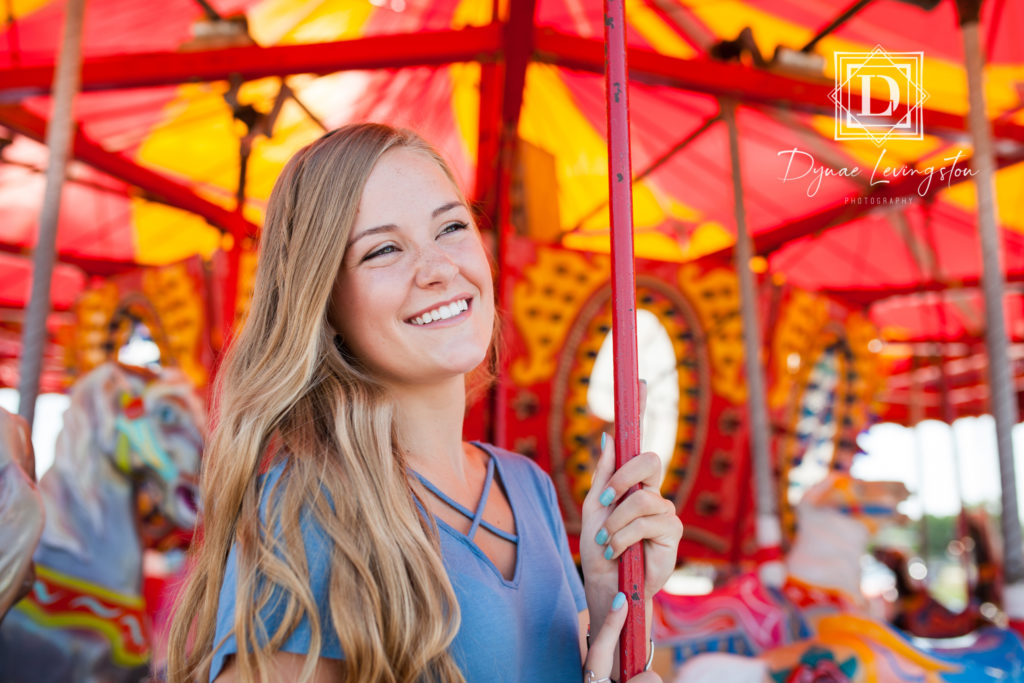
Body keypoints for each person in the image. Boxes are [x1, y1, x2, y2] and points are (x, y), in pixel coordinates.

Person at [166, 123, 682, 683]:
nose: (439, 269)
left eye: (452, 226)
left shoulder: (526, 485)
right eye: (384, 249)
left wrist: (617, 602)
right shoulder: (304, 510)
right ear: (324, 301)